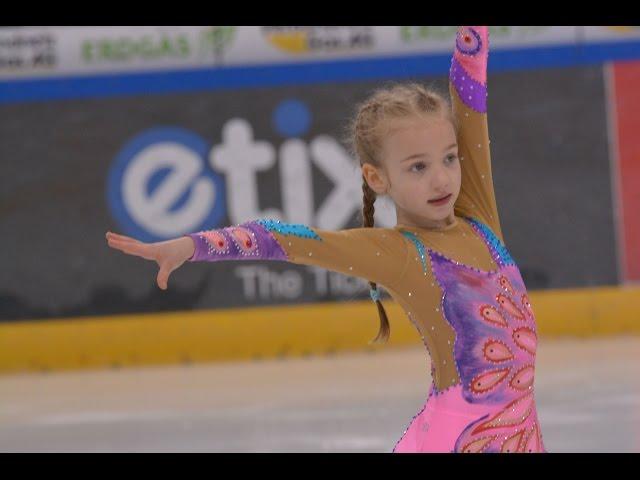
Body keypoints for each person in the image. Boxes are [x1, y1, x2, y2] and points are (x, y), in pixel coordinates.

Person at [106, 26, 546, 453]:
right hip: (462, 438)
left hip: (518, 436)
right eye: (417, 167)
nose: (441, 178)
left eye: (449, 158)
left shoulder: (478, 217)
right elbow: (286, 238)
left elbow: (469, 89)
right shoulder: (398, 254)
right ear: (377, 178)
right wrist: (191, 245)